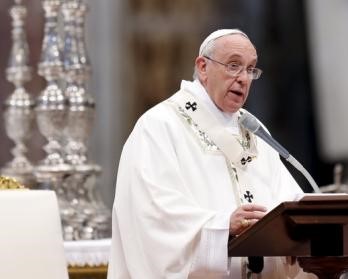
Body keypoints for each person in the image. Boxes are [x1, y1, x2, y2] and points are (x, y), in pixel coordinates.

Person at [107, 29, 314, 279]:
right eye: (234, 65)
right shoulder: (159, 126)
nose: (244, 79)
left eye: (251, 69)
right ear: (203, 67)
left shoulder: (254, 130)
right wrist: (221, 226)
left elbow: (288, 202)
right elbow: (150, 216)